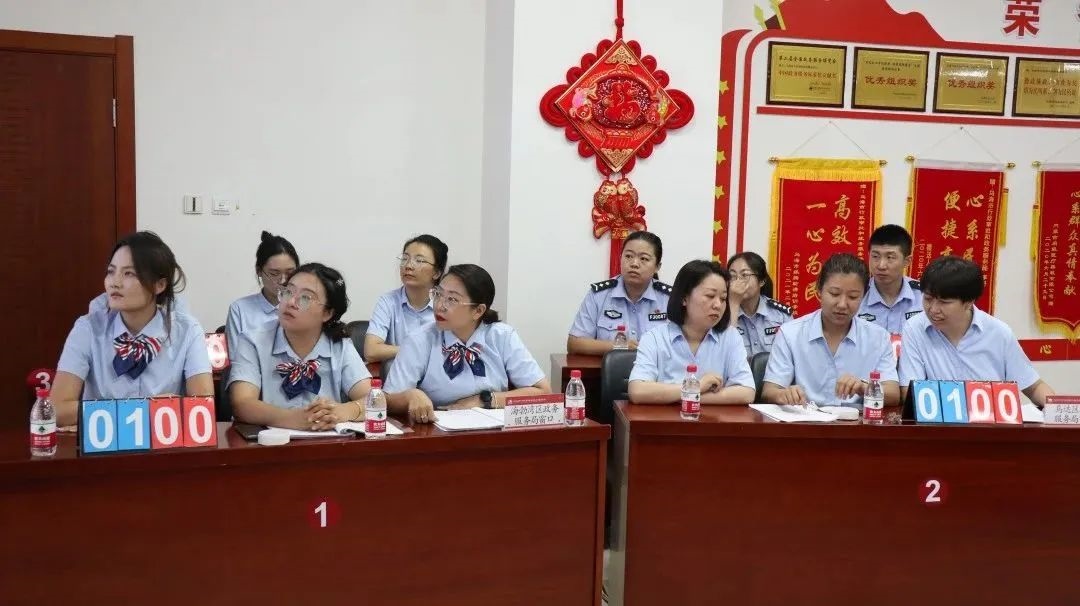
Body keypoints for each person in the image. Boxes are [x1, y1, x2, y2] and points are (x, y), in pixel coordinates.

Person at [51, 232, 213, 426]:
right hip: (104, 441)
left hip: (163, 441)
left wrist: (103, 411)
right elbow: (56, 409)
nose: (115, 282)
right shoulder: (88, 328)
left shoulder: (188, 331)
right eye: (111, 271)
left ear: (159, 285)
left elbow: (202, 408)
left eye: (129, 273)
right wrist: (147, 408)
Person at [385, 263, 550, 423]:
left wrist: (484, 400)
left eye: (452, 299)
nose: (439, 305)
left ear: (478, 311)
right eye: (438, 294)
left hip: (494, 430)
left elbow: (543, 392)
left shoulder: (502, 336)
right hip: (437, 430)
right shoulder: (420, 339)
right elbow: (386, 400)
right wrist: (410, 396)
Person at [229, 263, 372, 430]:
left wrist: (342, 411)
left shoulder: (340, 346)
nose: (290, 302)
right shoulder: (252, 340)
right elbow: (242, 404)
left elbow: (374, 398)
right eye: (288, 292)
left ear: (327, 313)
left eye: (305, 298)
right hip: (268, 441)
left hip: (327, 441)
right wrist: (292, 419)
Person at [899, 256, 1054, 405]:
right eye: (928, 299)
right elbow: (910, 392)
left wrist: (1058, 410)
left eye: (944, 302)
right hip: (938, 421)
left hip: (990, 421)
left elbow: (1033, 387)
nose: (933, 309)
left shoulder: (999, 333)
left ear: (968, 302)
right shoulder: (914, 329)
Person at [762, 253, 899, 409]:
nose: (842, 304)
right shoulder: (790, 334)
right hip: (805, 419)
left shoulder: (878, 337)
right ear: (819, 290)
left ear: (864, 296)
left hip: (856, 421)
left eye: (853, 297)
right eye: (834, 294)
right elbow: (769, 391)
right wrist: (784, 394)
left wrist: (864, 388)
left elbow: (893, 394)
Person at [629, 260, 755, 405]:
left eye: (723, 299)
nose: (718, 305)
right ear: (684, 298)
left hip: (713, 419)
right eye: (710, 296)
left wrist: (689, 395)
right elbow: (637, 391)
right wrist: (698, 386)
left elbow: (747, 392)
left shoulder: (730, 337)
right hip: (665, 419)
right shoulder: (655, 338)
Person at [567, 231, 671, 354]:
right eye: (628, 256)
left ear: (657, 266)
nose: (634, 264)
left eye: (644, 258)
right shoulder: (599, 295)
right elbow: (575, 344)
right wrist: (619, 345)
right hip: (609, 366)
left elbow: (684, 344)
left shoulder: (670, 298)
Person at [365, 234, 448, 362]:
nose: (408, 266)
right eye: (405, 258)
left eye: (419, 261)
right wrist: (416, 350)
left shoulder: (446, 306)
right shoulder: (388, 301)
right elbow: (371, 351)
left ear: (437, 273)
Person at [224, 231, 300, 359]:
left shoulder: (304, 305)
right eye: (274, 273)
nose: (283, 280)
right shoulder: (240, 309)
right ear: (259, 271)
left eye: (290, 273)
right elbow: (236, 361)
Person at [858, 224, 923, 334]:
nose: (881, 265)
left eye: (890, 257)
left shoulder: (924, 295)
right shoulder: (857, 294)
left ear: (907, 261)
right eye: (875, 256)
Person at [726, 251, 793, 357]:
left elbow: (793, 353)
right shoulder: (721, 312)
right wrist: (733, 303)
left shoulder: (781, 315)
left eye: (744, 275)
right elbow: (724, 352)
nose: (738, 281)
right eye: (732, 276)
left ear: (762, 281)